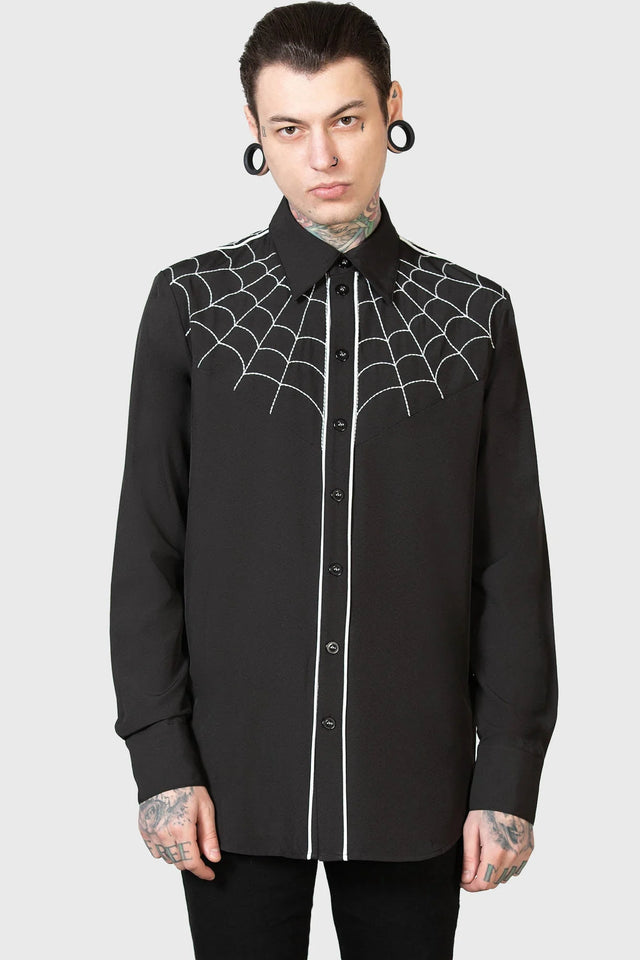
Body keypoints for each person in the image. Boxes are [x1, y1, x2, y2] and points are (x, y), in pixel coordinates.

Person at [109, 3, 559, 957]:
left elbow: (512, 563)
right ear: (254, 129)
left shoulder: (473, 315)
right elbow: (148, 548)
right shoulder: (191, 304)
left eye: (347, 119)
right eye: (289, 128)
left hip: (416, 783)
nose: (322, 157)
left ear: (392, 107)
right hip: (231, 781)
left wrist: (508, 776)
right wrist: (160, 758)